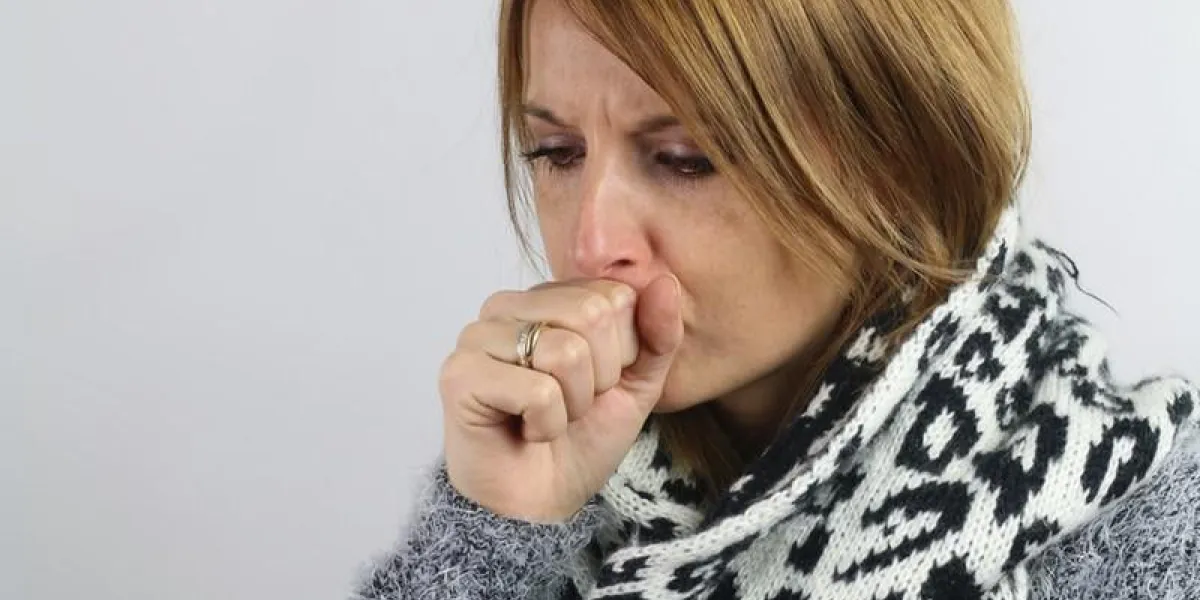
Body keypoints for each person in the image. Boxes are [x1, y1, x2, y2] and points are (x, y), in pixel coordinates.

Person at [353, 1, 1200, 598]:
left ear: (900, 156)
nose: (587, 243)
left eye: (685, 157)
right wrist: (492, 534)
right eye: (555, 151)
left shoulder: (1157, 536)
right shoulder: (546, 496)